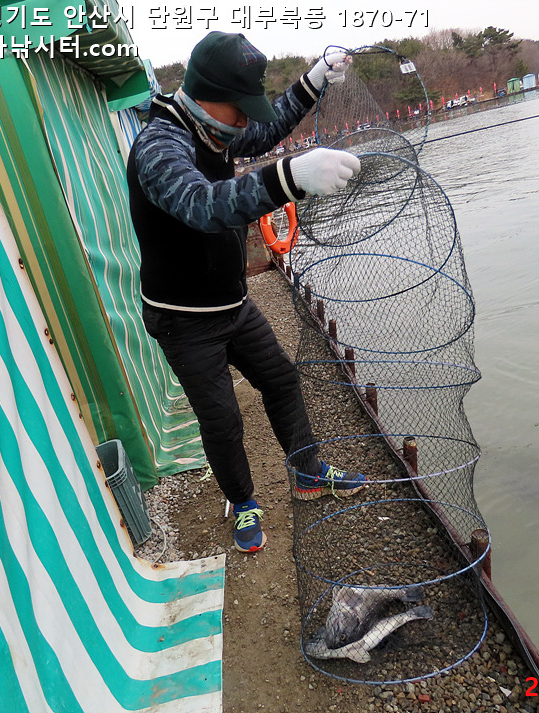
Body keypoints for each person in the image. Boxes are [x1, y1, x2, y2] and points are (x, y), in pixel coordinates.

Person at [127, 31, 366, 553]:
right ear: (208, 95)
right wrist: (287, 178)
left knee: (281, 379)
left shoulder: (214, 128)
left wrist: (313, 81)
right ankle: (242, 503)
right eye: (239, 109)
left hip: (233, 304)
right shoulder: (159, 145)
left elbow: (262, 132)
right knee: (222, 420)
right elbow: (202, 205)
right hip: (184, 319)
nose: (243, 121)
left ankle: (307, 471)